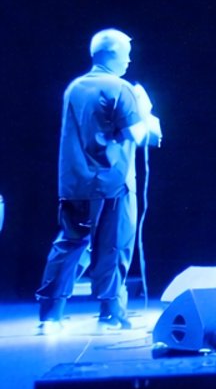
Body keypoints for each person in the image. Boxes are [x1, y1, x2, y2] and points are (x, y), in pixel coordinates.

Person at [40, 29, 162, 332]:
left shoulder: (74, 87)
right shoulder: (121, 88)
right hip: (112, 182)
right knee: (114, 246)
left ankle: (50, 315)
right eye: (126, 53)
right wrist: (146, 109)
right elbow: (138, 134)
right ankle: (111, 313)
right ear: (112, 54)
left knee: (69, 244)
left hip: (73, 184)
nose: (130, 59)